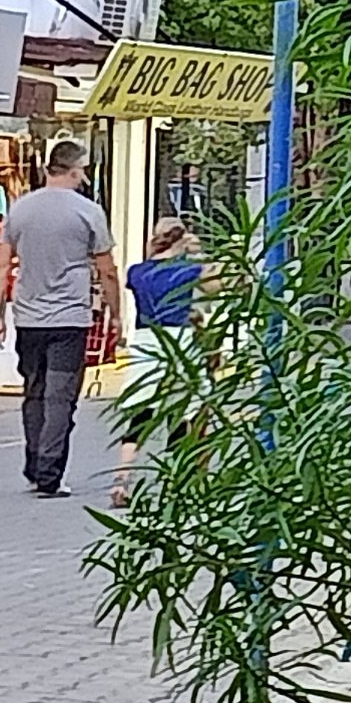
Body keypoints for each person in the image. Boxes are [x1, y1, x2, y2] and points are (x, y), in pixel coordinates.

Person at [0, 139, 119, 499]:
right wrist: (116, 313)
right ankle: (49, 473)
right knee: (60, 396)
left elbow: (1, 266)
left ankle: (34, 464)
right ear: (75, 170)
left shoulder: (19, 209)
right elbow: (107, 269)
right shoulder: (89, 212)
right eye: (83, 170)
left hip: (28, 317)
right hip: (70, 319)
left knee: (35, 391)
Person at [113, 217, 201, 506]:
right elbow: (220, 286)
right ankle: (175, 482)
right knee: (182, 410)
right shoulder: (189, 270)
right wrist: (198, 255)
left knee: (141, 411)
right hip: (179, 340)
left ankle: (122, 479)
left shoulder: (137, 272)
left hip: (146, 340)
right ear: (182, 238)